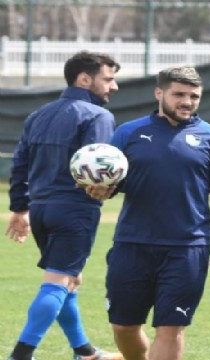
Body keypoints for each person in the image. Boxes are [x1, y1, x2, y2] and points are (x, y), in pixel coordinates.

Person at [87, 65, 210, 360]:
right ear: (159, 93)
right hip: (132, 243)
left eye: (194, 96)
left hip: (187, 248)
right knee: (123, 326)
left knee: (171, 328)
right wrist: (102, 189)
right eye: (179, 94)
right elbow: (111, 180)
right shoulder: (128, 132)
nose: (187, 102)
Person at [5, 51, 123, 360]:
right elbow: (98, 171)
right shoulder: (97, 116)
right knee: (58, 282)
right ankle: (21, 354)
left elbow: (19, 165)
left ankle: (84, 351)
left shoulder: (39, 114)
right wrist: (114, 187)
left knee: (70, 279)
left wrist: (20, 209)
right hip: (74, 210)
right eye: (108, 79)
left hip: (42, 210)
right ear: (85, 79)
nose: (114, 86)